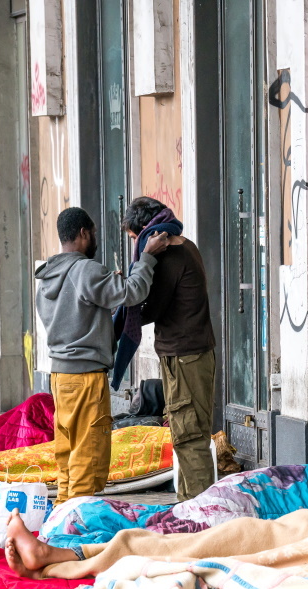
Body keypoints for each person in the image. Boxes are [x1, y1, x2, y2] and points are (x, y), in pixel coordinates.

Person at [34, 206, 168, 506]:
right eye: (92, 233)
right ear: (83, 233)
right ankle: (77, 526)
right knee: (88, 455)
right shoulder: (85, 270)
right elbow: (134, 292)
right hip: (85, 379)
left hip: (60, 377)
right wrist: (147, 256)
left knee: (68, 455)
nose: (94, 239)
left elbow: (77, 311)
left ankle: (61, 518)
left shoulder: (47, 276)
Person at [118, 196, 216, 502]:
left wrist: (121, 300)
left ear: (146, 230)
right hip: (191, 353)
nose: (139, 245)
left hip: (185, 357)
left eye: (136, 239)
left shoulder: (172, 257)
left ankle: (200, 513)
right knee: (188, 432)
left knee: (188, 436)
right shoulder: (186, 245)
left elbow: (150, 307)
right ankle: (191, 505)